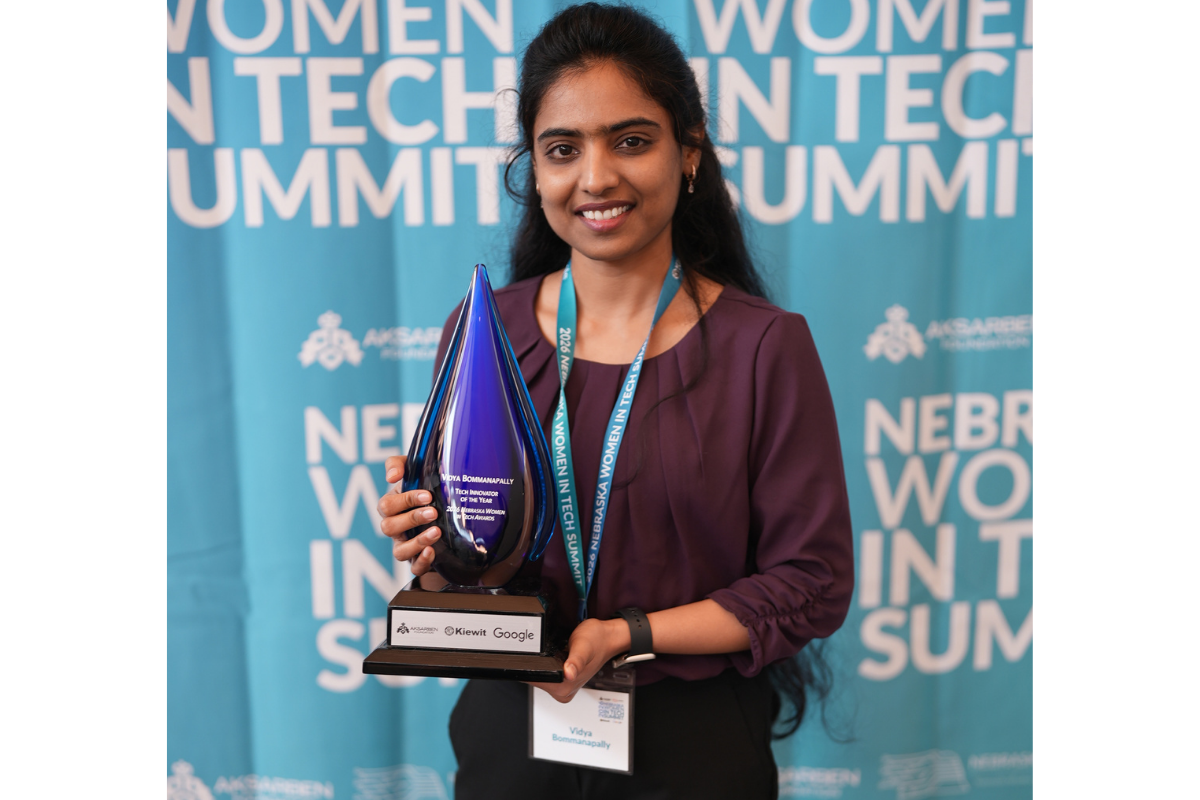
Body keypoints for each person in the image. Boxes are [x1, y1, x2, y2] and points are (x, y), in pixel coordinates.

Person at [376, 4, 853, 798]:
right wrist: (431, 551)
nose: (596, 178)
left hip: (693, 745)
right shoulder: (482, 329)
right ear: (534, 167)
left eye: (631, 140)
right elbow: (460, 586)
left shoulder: (764, 347)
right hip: (514, 737)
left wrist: (628, 636)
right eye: (562, 150)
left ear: (688, 153)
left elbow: (811, 580)